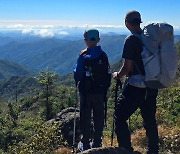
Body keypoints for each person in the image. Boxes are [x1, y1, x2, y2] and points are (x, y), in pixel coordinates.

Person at [113, 10, 159, 154]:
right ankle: (153, 151)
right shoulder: (150, 37)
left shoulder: (131, 40)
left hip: (135, 87)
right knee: (149, 119)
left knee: (119, 117)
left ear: (126, 22)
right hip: (152, 85)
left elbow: (127, 68)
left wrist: (117, 75)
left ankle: (126, 150)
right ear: (140, 21)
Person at [74, 29, 111, 150]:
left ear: (85, 40)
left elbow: (78, 73)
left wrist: (77, 78)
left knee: (85, 116)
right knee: (98, 116)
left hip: (86, 92)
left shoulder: (83, 55)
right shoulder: (103, 55)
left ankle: (85, 143)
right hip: (100, 92)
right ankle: (97, 142)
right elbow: (108, 73)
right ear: (98, 40)